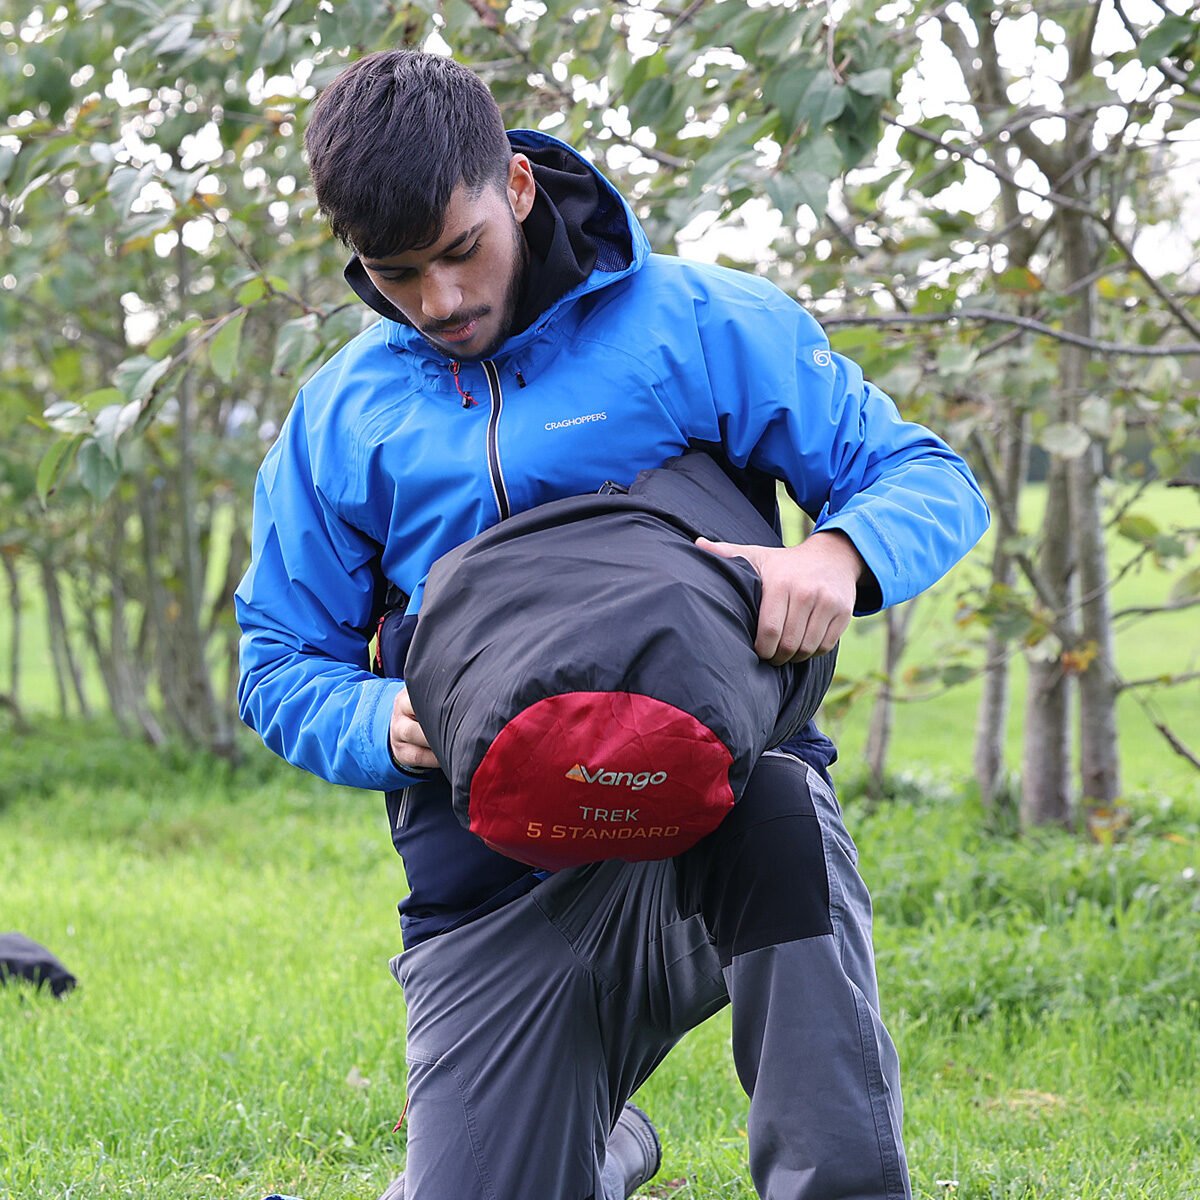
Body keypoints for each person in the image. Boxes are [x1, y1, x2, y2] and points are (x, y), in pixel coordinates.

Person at [236, 49, 989, 1200]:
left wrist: (839, 553)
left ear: (519, 191)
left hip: (716, 828)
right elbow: (278, 662)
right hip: (493, 885)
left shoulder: (694, 324)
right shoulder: (343, 417)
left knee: (785, 801)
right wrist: (389, 720)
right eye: (397, 275)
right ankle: (601, 1142)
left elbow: (923, 475)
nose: (441, 303)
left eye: (459, 251)